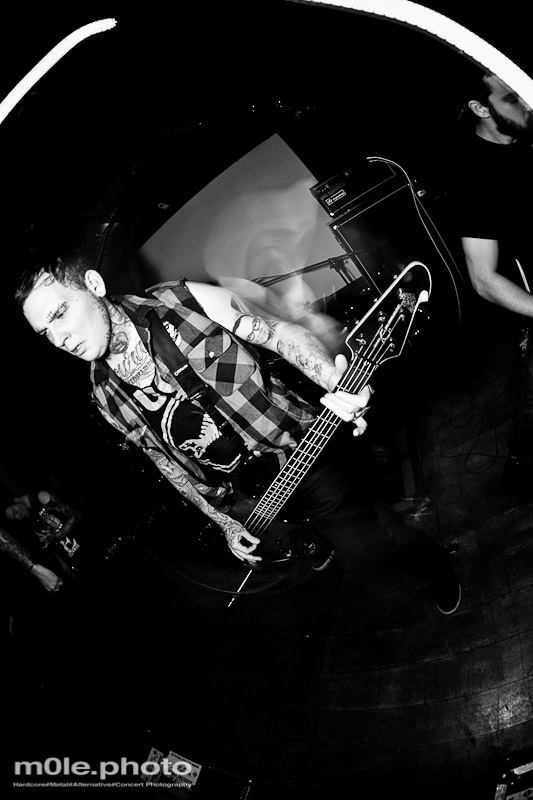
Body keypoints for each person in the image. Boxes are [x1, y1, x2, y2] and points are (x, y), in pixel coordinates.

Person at [14, 249, 461, 613]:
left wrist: (331, 378)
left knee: (371, 546)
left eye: (60, 313)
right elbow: (167, 463)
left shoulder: (181, 301)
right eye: (45, 332)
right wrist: (225, 522)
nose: (60, 338)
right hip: (249, 496)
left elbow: (277, 332)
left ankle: (434, 563)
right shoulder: (103, 395)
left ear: (93, 285)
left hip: (300, 452)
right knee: (310, 547)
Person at [447, 69, 533, 491]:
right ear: (481, 109)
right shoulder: (474, 175)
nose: (527, 104)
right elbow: (484, 279)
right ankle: (520, 465)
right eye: (512, 99)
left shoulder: (527, 138)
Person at [5, 489, 83, 579]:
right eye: (15, 519)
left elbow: (75, 515)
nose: (18, 517)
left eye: (15, 512)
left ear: (16, 500)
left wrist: (56, 536)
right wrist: (65, 566)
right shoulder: (31, 518)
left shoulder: (41, 498)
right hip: (74, 559)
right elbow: (51, 546)